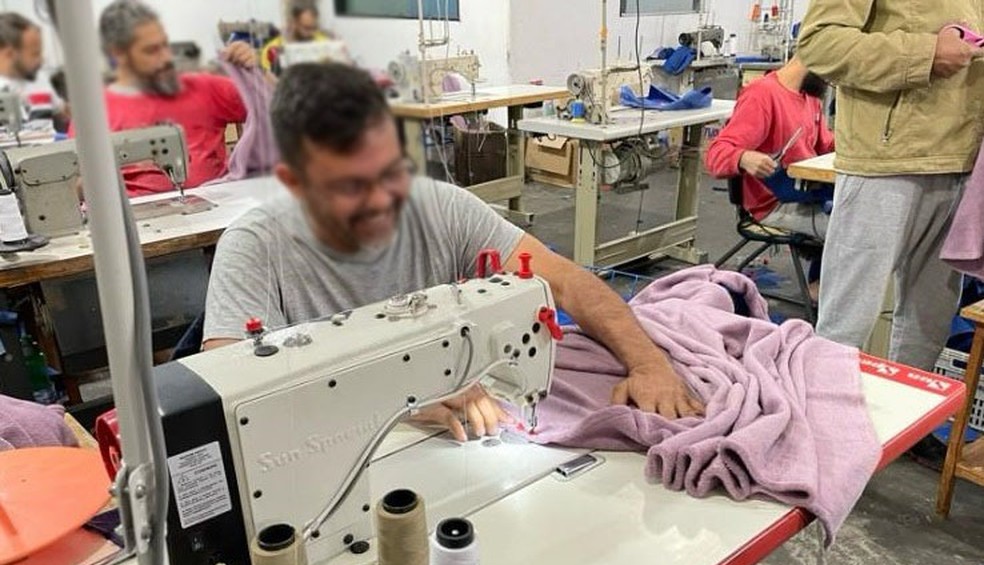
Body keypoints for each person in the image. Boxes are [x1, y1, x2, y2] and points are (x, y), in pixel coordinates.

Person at [203, 62, 704, 440]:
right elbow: (224, 395)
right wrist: (397, 396)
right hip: (330, 449)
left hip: (446, 436)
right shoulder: (253, 249)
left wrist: (649, 365)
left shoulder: (438, 208)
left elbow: (566, 281)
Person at [797, 2, 984, 467]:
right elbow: (819, 43)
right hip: (886, 162)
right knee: (848, 316)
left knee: (931, 314)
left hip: (964, 161)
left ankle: (902, 425)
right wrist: (923, 55)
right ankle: (816, 437)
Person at [93, 0, 254, 196]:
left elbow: (276, 110)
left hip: (218, 214)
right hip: (139, 222)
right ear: (118, 54)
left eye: (165, 45)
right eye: (152, 50)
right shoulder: (95, 113)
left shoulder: (204, 88)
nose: (166, 57)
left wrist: (255, 71)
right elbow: (80, 181)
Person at [705, 55, 834, 240]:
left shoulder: (810, 97)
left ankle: (821, 269)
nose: (831, 81)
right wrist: (743, 158)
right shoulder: (761, 95)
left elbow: (826, 144)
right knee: (857, 233)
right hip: (776, 203)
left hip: (809, 194)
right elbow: (716, 154)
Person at [0, 12, 67, 133]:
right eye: (35, 54)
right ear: (9, 54)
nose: (41, 59)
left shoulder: (39, 79)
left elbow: (64, 114)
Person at [260, 0, 332, 75]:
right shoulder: (272, 50)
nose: (311, 33)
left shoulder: (324, 43)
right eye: (306, 28)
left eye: (314, 28)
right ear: (293, 23)